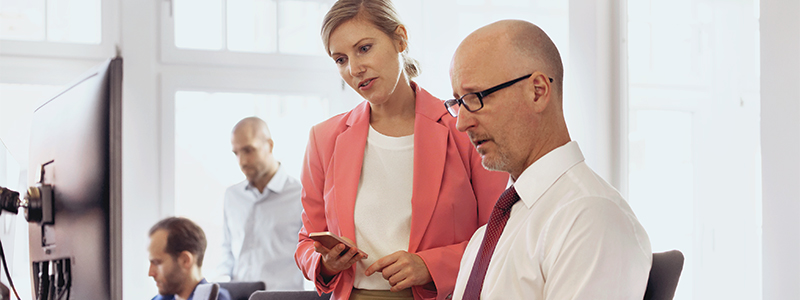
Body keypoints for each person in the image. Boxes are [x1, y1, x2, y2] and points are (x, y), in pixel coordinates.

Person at [294, 1, 509, 299]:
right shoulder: (324, 138)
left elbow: (500, 235)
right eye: (340, 59)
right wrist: (326, 263)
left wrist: (431, 266)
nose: (355, 69)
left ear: (400, 39)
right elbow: (307, 242)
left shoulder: (464, 129)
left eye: (364, 48)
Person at [447, 20, 652, 300]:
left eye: (476, 98)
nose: (462, 123)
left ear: (538, 91)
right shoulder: (490, 232)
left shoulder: (590, 216)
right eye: (458, 103)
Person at [217, 117, 305, 290]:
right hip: (239, 296)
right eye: (236, 153)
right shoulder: (232, 196)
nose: (242, 161)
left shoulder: (301, 195)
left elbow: (312, 257)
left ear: (270, 145)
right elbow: (227, 250)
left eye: (248, 150)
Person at [148, 217, 232, 300]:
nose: (150, 273)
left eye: (157, 262)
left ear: (185, 260)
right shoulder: (161, 298)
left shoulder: (215, 297)